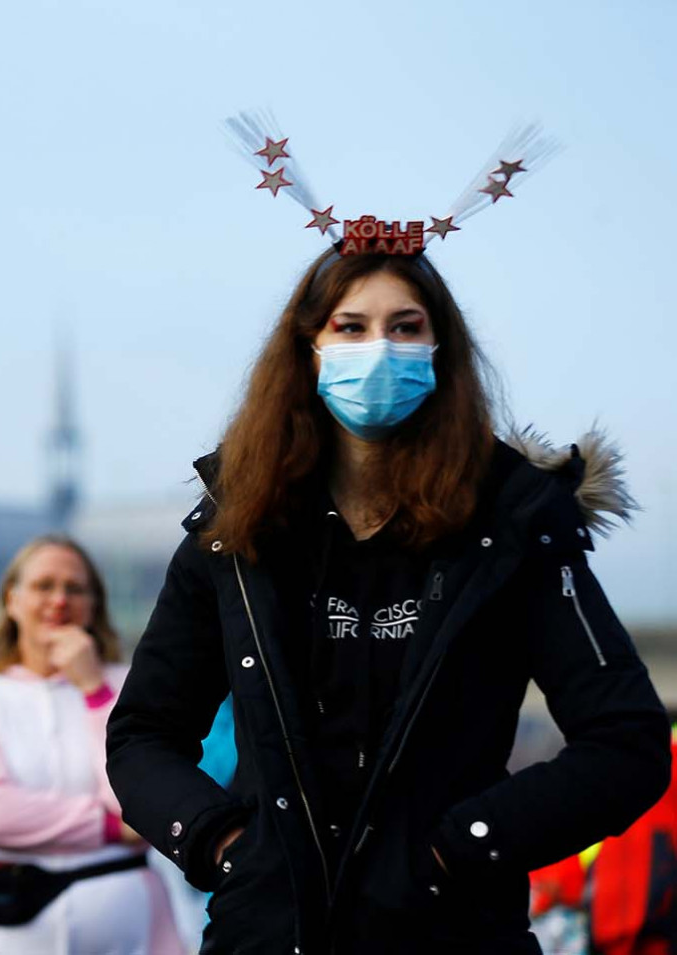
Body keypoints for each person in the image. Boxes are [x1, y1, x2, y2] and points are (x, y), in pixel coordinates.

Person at [105, 246, 671, 954]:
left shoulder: (517, 523)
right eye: (351, 326)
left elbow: (628, 742)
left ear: (441, 349)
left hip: (453, 932)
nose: (379, 349)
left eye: (406, 326)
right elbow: (142, 735)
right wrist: (223, 843)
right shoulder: (238, 528)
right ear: (308, 349)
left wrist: (461, 846)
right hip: (268, 932)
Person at [0, 535, 185, 954]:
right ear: (12, 599)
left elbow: (141, 796)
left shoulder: (129, 685)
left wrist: (93, 691)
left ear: (94, 603)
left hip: (133, 929)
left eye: (75, 588)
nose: (59, 600)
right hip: (8, 925)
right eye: (44, 586)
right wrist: (112, 827)